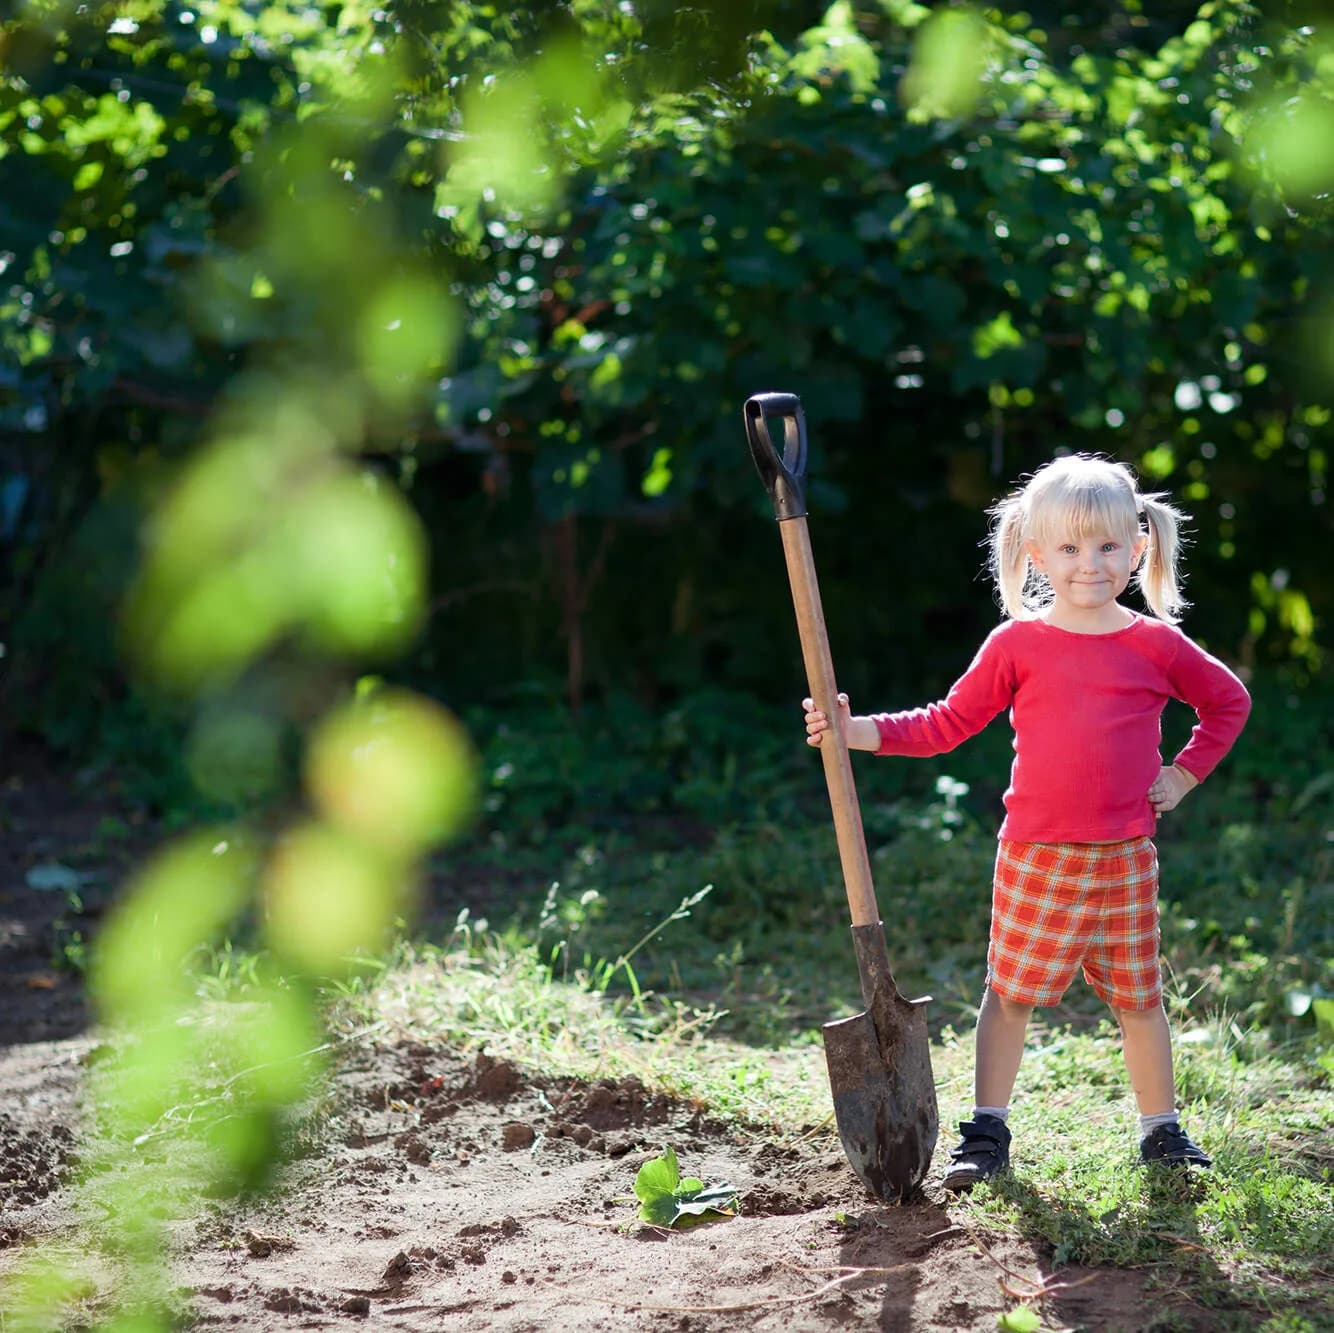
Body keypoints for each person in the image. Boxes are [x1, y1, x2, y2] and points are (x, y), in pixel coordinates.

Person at [802, 454, 1250, 1191]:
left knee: (1141, 1000)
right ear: (1036, 553)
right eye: (1069, 549)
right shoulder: (1016, 644)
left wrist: (1184, 772)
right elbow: (946, 722)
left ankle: (1161, 1131)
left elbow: (1228, 701)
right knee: (1009, 996)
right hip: (1038, 858)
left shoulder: (1155, 644)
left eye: (1108, 546)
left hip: (1125, 859)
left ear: (1137, 547)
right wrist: (856, 733)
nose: (1090, 564)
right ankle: (987, 1131)